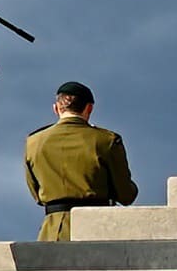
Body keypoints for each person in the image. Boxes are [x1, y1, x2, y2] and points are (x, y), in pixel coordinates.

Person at [23, 81, 138, 240]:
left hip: (54, 231)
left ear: (56, 108)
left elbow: (36, 194)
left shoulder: (33, 142)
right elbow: (126, 195)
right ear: (89, 108)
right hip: (98, 229)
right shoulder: (107, 140)